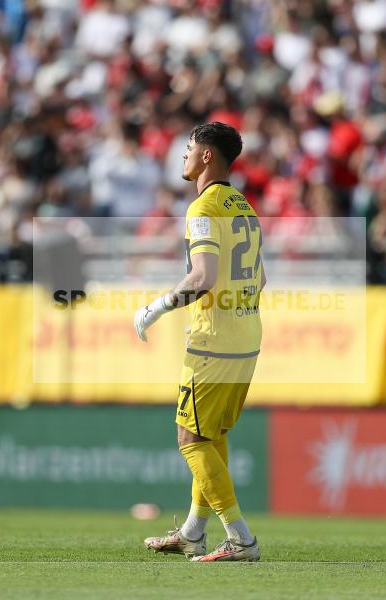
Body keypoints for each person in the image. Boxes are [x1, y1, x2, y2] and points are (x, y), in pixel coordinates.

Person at [134, 122, 264, 562]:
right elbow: (260, 277)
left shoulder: (204, 208)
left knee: (190, 438)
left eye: (188, 148)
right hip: (246, 336)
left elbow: (203, 277)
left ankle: (240, 539)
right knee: (211, 434)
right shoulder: (243, 205)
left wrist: (157, 307)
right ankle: (193, 531)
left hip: (215, 342)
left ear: (207, 155)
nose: (183, 155)